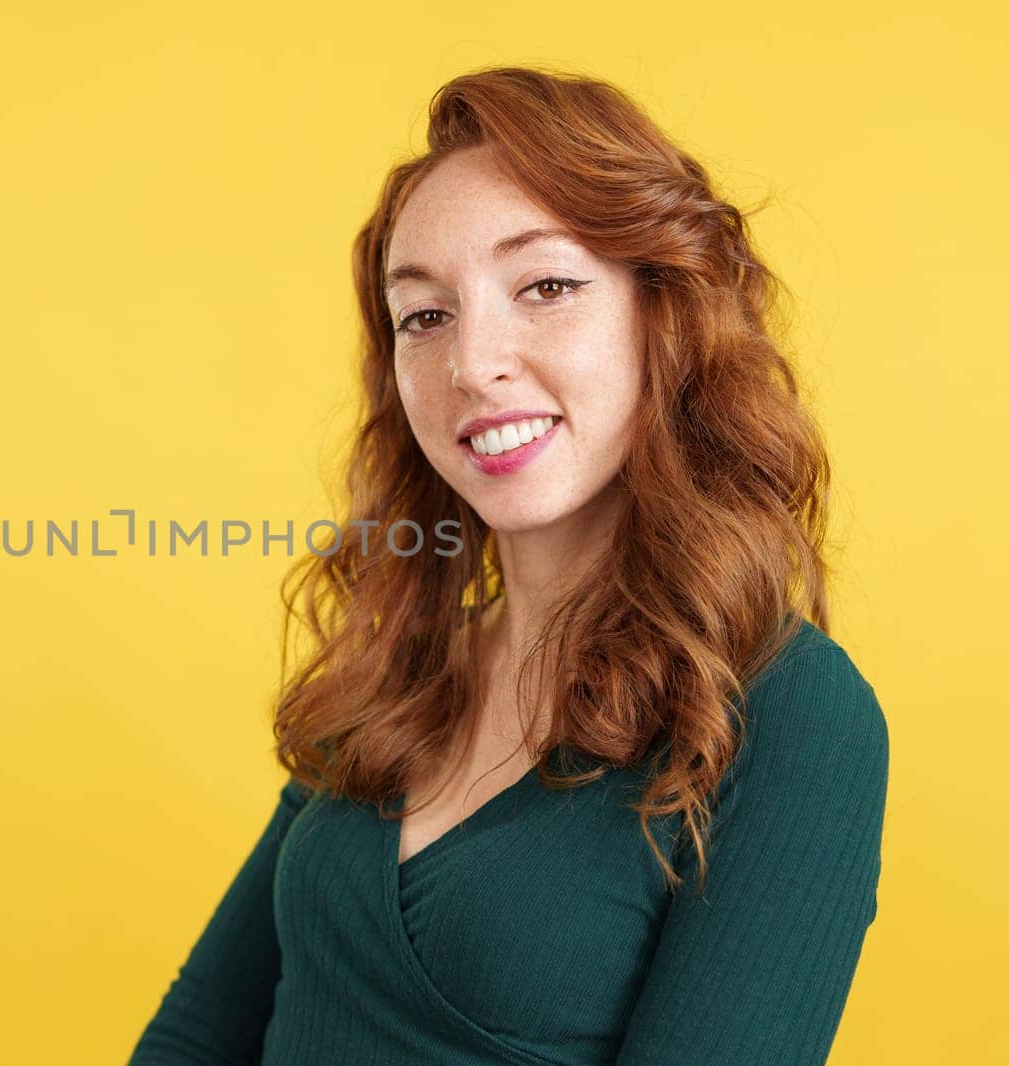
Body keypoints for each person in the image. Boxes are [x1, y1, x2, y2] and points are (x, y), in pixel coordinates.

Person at [128, 65, 888, 1066]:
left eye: (545, 286)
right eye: (425, 316)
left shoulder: (787, 711)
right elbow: (194, 1036)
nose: (471, 364)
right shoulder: (398, 671)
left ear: (662, 316)